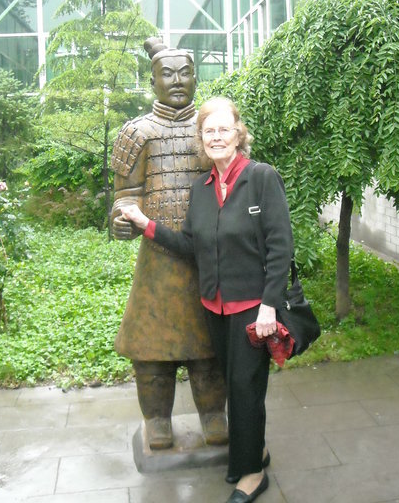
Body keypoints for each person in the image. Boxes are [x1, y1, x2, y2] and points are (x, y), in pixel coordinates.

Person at [121, 96, 294, 503]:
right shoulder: (202, 189)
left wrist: (269, 305)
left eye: (224, 129)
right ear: (202, 138)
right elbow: (189, 245)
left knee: (246, 389)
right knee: (239, 387)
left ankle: (251, 474)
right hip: (215, 309)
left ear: (238, 133)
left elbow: (280, 245)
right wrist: (147, 225)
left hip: (253, 310)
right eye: (209, 131)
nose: (217, 137)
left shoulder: (261, 177)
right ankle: (259, 449)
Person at [110, 37, 227, 451]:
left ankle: (214, 414)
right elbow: (125, 194)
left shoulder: (210, 130)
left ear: (196, 77)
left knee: (209, 348)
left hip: (204, 258)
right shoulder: (138, 133)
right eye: (167, 73)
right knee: (152, 350)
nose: (177, 81)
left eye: (184, 72)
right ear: (153, 79)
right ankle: (156, 419)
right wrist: (122, 219)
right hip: (158, 259)